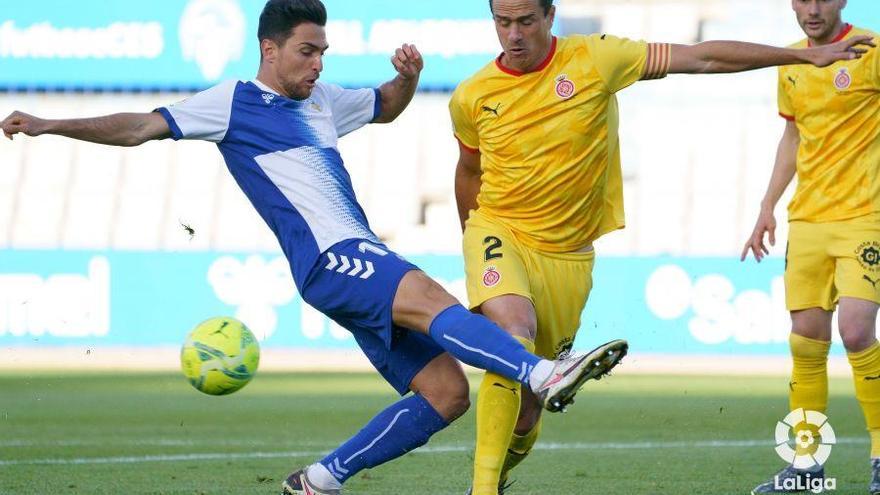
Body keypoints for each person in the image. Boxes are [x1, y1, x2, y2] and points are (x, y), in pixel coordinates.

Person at [0, 1, 633, 494]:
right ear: (269, 50)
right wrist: (49, 124)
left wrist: (405, 79)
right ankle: (544, 372)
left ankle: (321, 478)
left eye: (324, 51)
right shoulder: (233, 103)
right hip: (336, 258)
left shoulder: (323, 100)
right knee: (431, 297)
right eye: (307, 52)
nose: (318, 64)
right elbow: (139, 126)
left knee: (446, 395)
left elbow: (386, 107)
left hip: (341, 267)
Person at [448, 0, 875, 493]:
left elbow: (701, 58)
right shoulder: (472, 95)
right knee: (513, 336)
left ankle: (497, 475)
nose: (514, 34)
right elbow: (469, 172)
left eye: (526, 21)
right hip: (498, 228)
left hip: (567, 255)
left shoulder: (597, 60)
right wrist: (474, 250)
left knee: (528, 408)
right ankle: (481, 490)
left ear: (550, 17)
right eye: (504, 23)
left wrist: (800, 57)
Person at [741, 0, 880, 493]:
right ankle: (806, 467)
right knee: (806, 338)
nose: (812, 8)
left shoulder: (872, 49)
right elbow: (793, 135)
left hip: (865, 217)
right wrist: (766, 206)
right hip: (808, 220)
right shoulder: (793, 62)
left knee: (857, 330)